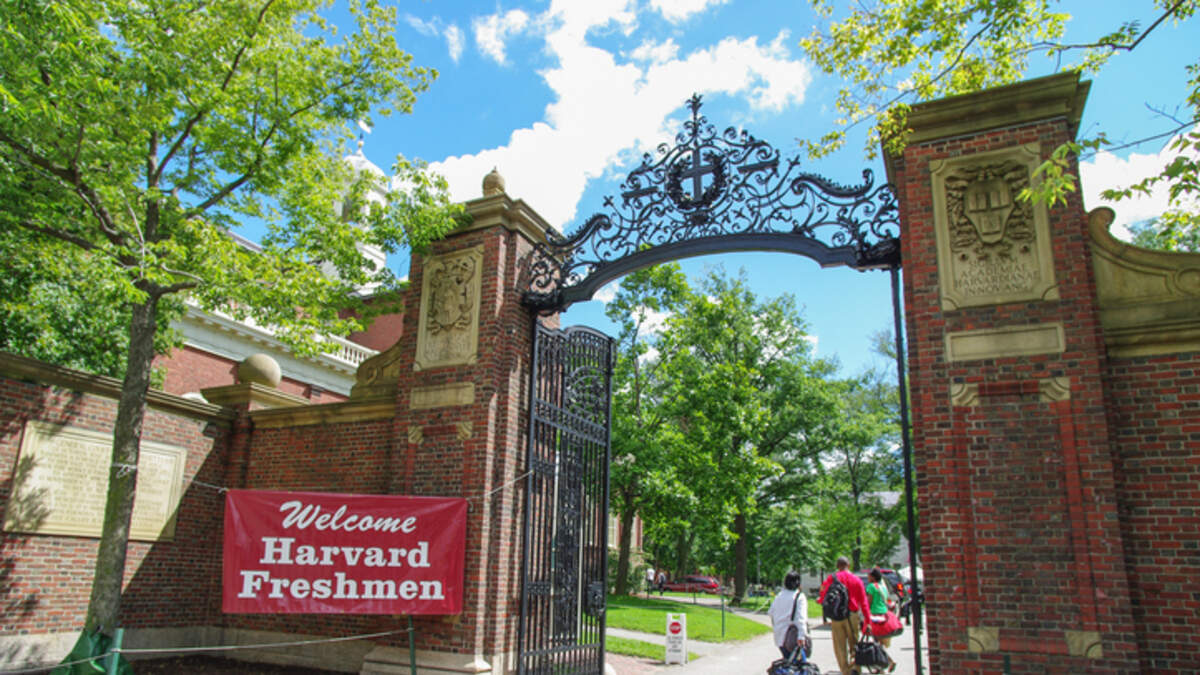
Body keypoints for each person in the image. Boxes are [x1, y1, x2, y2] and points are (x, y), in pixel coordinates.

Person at [818, 556, 870, 675]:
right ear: (849, 565)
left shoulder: (832, 578)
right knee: (854, 645)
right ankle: (855, 668)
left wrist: (822, 602)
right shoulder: (856, 580)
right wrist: (867, 621)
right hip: (852, 615)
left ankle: (845, 671)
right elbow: (864, 602)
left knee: (840, 647)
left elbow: (823, 593)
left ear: (837, 566)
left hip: (837, 616)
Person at [767, 571, 808, 661]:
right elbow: (801, 618)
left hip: (779, 637)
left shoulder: (779, 596)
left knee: (787, 661)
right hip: (793, 638)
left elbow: (771, 613)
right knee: (799, 664)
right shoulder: (799, 597)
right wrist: (801, 636)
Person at [865, 568, 898, 672]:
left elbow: (869, 602)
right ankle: (880, 666)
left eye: (869, 575)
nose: (867, 577)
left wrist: (865, 614)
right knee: (879, 642)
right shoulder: (883, 587)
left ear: (873, 577)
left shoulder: (871, 586)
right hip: (884, 615)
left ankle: (889, 662)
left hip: (875, 615)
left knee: (876, 642)